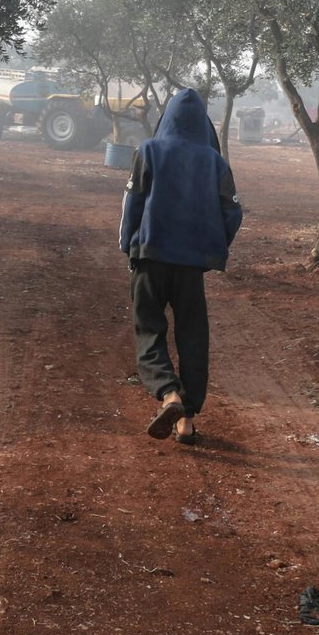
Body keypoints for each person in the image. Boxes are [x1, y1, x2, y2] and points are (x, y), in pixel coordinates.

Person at [119, 88, 242, 443]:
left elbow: (133, 202)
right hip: (190, 266)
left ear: (166, 117)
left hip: (150, 257)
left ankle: (168, 394)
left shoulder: (149, 150)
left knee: (149, 330)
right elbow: (232, 212)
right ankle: (186, 420)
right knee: (192, 335)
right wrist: (211, 249)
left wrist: (130, 246)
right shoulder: (215, 162)